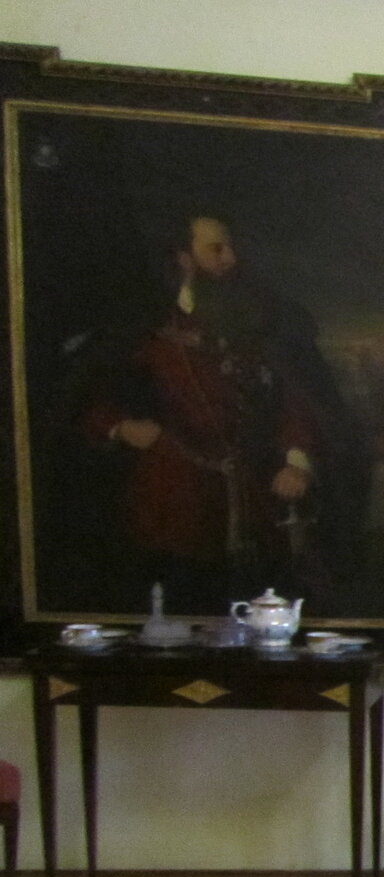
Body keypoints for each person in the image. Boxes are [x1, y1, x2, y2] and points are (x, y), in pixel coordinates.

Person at [79, 214, 325, 613]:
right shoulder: (147, 329)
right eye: (215, 249)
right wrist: (121, 427)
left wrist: (296, 462)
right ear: (185, 259)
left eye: (230, 247)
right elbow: (87, 398)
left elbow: (292, 398)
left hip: (255, 498)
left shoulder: (258, 322)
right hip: (174, 502)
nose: (229, 258)